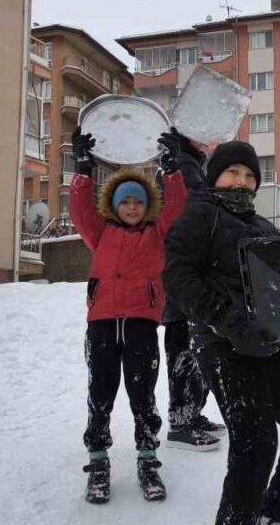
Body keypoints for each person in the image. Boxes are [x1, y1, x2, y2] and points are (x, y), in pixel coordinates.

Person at [164, 141, 280, 525]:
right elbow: (177, 277)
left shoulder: (262, 226)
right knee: (256, 441)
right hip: (220, 341)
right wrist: (230, 323)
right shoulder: (201, 215)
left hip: (265, 340)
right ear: (214, 177)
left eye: (249, 175)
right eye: (232, 172)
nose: (241, 181)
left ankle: (277, 513)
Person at [70, 127, 186, 504]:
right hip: (102, 324)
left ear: (146, 206)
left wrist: (172, 172)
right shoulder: (99, 234)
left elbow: (176, 208)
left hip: (140, 324)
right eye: (125, 202)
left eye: (138, 202)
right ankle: (99, 461)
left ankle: (148, 460)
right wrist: (83, 171)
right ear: (115, 206)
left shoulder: (157, 234)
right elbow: (80, 211)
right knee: (100, 392)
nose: (132, 207)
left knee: (142, 394)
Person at [157, 128, 226, 452]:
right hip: (180, 283)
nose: (205, 138)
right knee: (184, 355)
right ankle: (181, 423)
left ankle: (193, 414)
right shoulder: (182, 164)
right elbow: (190, 208)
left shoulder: (194, 163)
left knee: (196, 354)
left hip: (191, 280)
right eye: (197, 133)